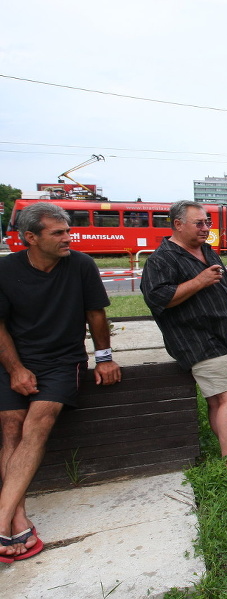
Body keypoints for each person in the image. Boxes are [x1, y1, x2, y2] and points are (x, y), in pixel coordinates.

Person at [0, 203, 121, 562]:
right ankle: (17, 516)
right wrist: (16, 370)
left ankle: (3, 518)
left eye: (68, 231)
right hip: (15, 359)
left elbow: (96, 314)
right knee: (9, 424)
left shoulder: (81, 265)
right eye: (58, 233)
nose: (69, 238)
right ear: (30, 238)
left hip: (62, 360)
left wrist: (104, 357)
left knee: (39, 421)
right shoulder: (5, 270)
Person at [141, 200, 227, 483]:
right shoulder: (162, 259)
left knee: (218, 399)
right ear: (177, 224)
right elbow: (159, 299)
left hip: (220, 335)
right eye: (199, 223)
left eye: (208, 222)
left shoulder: (207, 251)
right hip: (195, 338)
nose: (206, 228)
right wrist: (199, 281)